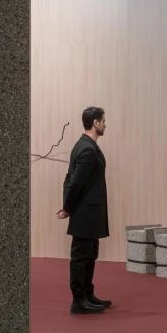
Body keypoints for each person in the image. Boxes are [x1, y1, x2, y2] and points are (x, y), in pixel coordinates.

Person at [57, 106, 112, 314]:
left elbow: (69, 178)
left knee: (90, 254)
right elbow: (74, 182)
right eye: (103, 121)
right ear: (95, 122)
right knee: (81, 257)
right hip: (85, 213)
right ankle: (79, 300)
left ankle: (88, 295)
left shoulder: (83, 145)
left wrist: (68, 205)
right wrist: (67, 207)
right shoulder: (87, 149)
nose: (105, 124)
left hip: (88, 214)